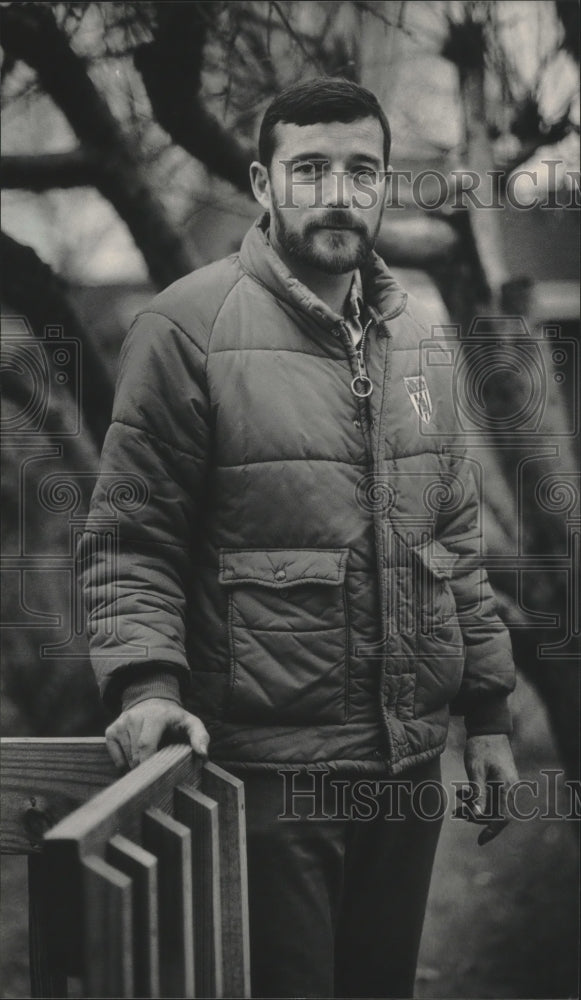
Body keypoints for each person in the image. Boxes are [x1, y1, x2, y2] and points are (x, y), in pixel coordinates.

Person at [79, 78, 518, 998]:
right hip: (264, 782)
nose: (337, 192)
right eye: (309, 168)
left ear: (386, 186)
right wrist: (148, 687)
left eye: (362, 171)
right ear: (262, 182)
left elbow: (454, 541)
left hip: (404, 776)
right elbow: (132, 540)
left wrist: (486, 717)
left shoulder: (419, 339)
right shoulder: (185, 328)